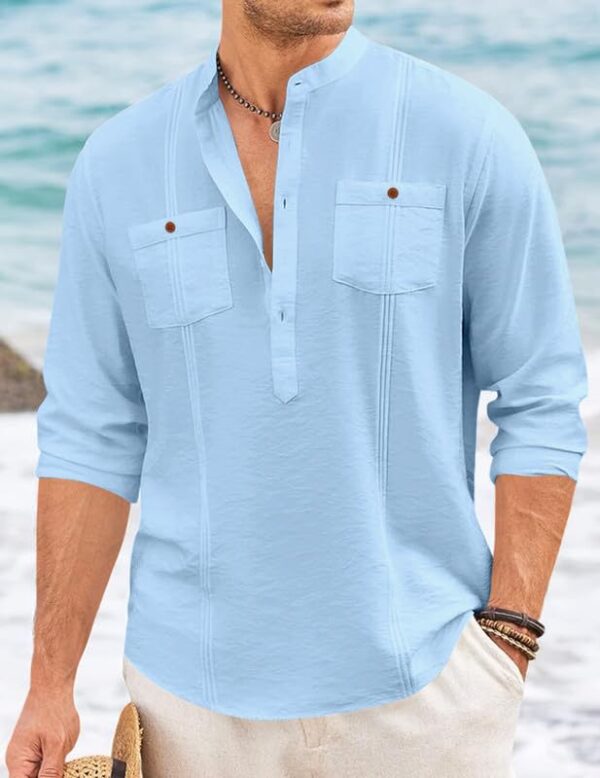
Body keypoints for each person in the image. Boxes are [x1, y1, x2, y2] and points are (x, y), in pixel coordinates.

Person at [6, 0, 588, 776]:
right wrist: (50, 684)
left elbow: (541, 397)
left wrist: (511, 635)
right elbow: (92, 434)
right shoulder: (120, 164)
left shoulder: (467, 135)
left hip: (425, 695)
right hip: (189, 707)